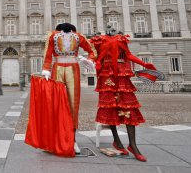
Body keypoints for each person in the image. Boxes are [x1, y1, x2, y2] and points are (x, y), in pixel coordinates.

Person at [90, 30, 157, 162]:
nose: (112, 31)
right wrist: (94, 62)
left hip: (122, 73)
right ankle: (117, 142)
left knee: (129, 108)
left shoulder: (121, 39)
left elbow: (128, 55)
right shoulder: (99, 40)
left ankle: (133, 145)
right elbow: (93, 55)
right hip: (107, 74)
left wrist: (143, 64)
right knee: (111, 108)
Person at [41, 23, 97, 154]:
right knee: (56, 104)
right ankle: (54, 139)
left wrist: (89, 60)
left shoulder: (78, 37)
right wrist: (46, 69)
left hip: (73, 68)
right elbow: (48, 53)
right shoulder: (53, 37)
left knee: (73, 104)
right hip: (57, 68)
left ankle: (72, 139)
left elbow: (92, 50)